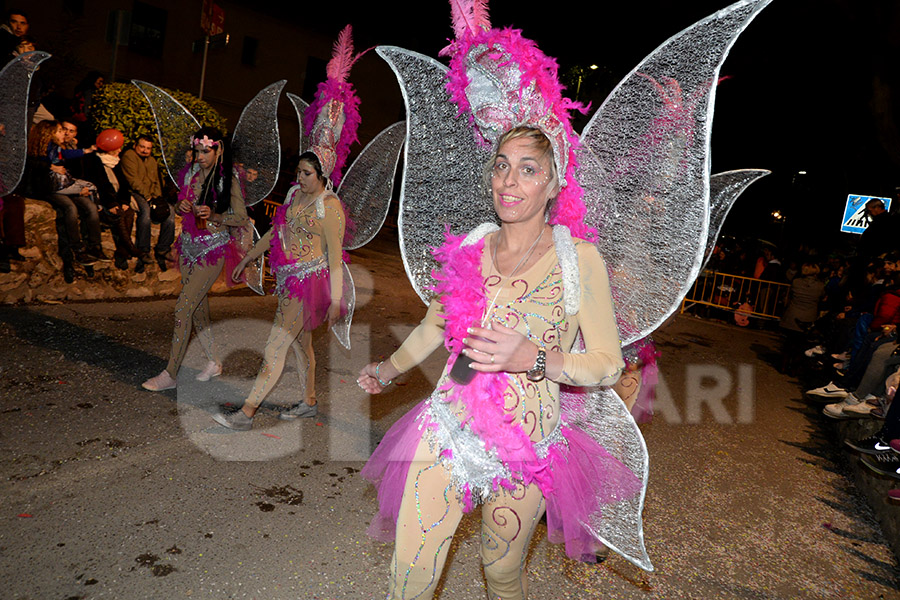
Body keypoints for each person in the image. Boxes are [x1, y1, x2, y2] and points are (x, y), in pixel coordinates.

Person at [356, 6, 650, 594]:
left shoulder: (578, 260)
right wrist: (388, 369)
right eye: (501, 167)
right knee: (411, 567)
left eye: (528, 169)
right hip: (448, 422)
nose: (509, 182)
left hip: (528, 445)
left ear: (554, 183)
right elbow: (438, 321)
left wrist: (531, 358)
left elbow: (608, 365)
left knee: (501, 569)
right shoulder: (471, 243)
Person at [212, 25, 361, 430]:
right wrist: (247, 260)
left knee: (276, 344)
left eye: (309, 172)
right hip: (288, 278)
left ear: (324, 174)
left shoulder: (330, 207)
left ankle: (246, 412)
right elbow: (276, 235)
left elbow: (334, 257)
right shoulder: (295, 196)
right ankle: (310, 402)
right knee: (300, 345)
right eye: (299, 170)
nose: (302, 177)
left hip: (309, 283)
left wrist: (334, 299)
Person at [141, 127, 249, 391]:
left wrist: (214, 215)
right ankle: (213, 361)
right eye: (197, 151)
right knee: (198, 309)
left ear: (218, 150)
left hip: (212, 251)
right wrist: (182, 207)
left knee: (183, 307)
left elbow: (242, 218)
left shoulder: (227, 180)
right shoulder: (189, 175)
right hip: (188, 248)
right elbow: (179, 205)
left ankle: (171, 374)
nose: (199, 156)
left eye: (205, 151)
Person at [26, 119, 105, 266]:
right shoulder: (44, 147)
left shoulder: (65, 148)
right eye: (62, 130)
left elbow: (74, 162)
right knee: (70, 208)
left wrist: (84, 150)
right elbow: (32, 162)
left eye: (69, 131)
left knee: (90, 207)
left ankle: (95, 245)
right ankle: (77, 248)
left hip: (67, 185)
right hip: (52, 188)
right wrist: (51, 166)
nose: (65, 133)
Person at [81, 129, 139, 270]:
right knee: (118, 215)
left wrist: (124, 201)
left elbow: (124, 184)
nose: (119, 150)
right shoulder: (95, 161)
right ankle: (129, 247)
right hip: (104, 200)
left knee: (129, 212)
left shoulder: (115, 162)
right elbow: (101, 184)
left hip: (118, 198)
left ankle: (123, 251)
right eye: (116, 148)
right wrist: (112, 203)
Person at [120, 135, 175, 272]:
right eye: (142, 147)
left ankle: (163, 248)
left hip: (152, 195)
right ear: (135, 146)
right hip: (136, 193)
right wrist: (148, 197)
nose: (145, 150)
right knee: (145, 214)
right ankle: (144, 250)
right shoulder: (129, 156)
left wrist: (157, 198)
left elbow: (158, 181)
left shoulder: (152, 161)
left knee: (170, 213)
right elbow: (134, 181)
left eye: (148, 148)